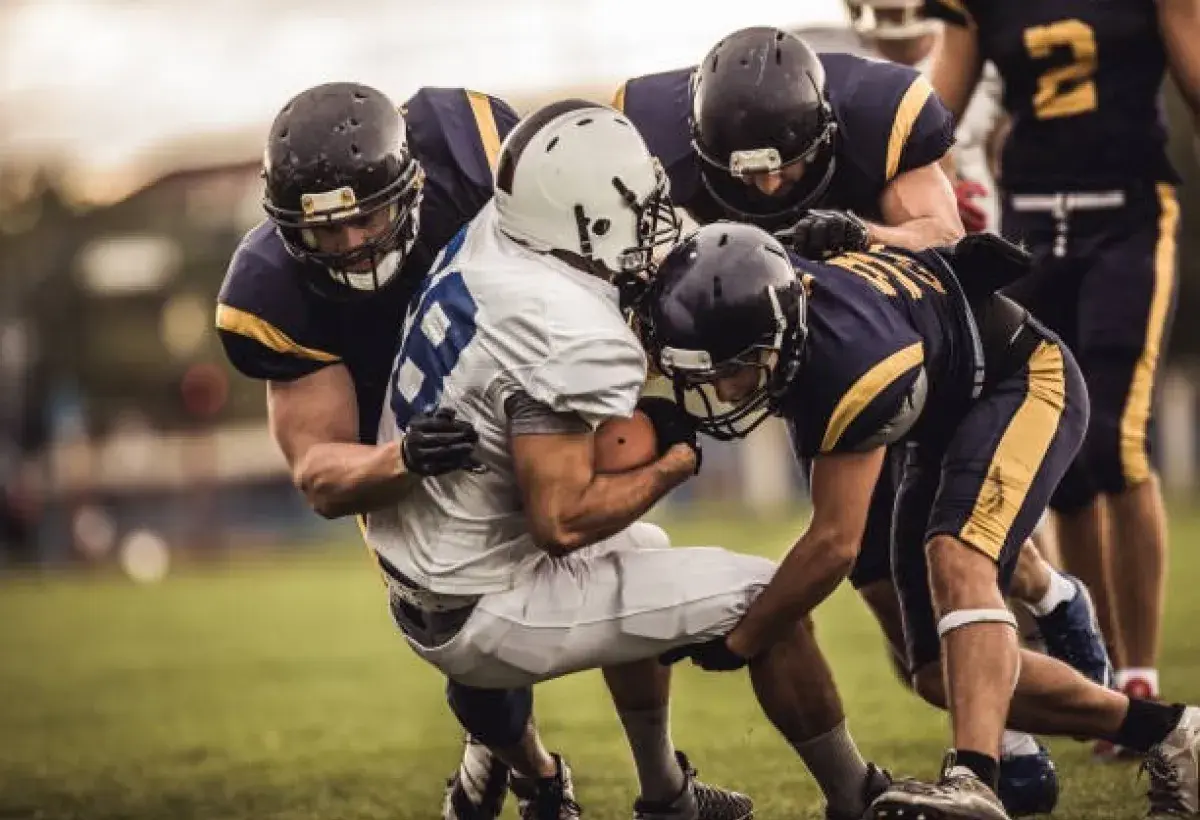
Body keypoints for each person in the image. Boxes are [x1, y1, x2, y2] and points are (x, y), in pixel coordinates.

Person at [615, 25, 1107, 814]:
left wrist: (863, 237)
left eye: (791, 167)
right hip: (818, 371)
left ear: (828, 132)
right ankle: (1029, 725)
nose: (773, 190)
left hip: (926, 350)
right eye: (748, 176)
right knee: (891, 598)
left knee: (969, 550)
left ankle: (1046, 615)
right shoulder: (648, 143)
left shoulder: (881, 112)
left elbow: (946, 237)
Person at [641, 220, 1200, 820]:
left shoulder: (847, 359)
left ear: (782, 331)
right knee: (936, 672)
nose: (724, 392)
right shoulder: (785, 301)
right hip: (947, 419)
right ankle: (1171, 733)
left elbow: (833, 545)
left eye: (734, 368)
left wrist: (741, 639)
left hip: (1024, 381)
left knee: (957, 554)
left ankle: (977, 777)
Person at [214, 81, 529, 819]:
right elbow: (319, 474)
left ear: (412, 184)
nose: (353, 243)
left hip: (521, 379)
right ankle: (531, 769)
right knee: (461, 629)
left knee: (596, 544)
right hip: (397, 443)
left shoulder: (472, 150)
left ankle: (659, 783)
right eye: (328, 231)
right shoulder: (273, 292)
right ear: (289, 228)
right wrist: (403, 460)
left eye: (369, 216)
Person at [925, 0, 1200, 758]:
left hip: (1131, 216)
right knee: (1066, 457)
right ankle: (1102, 669)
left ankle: (1139, 674)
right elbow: (933, 110)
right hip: (1032, 223)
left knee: (1118, 440)